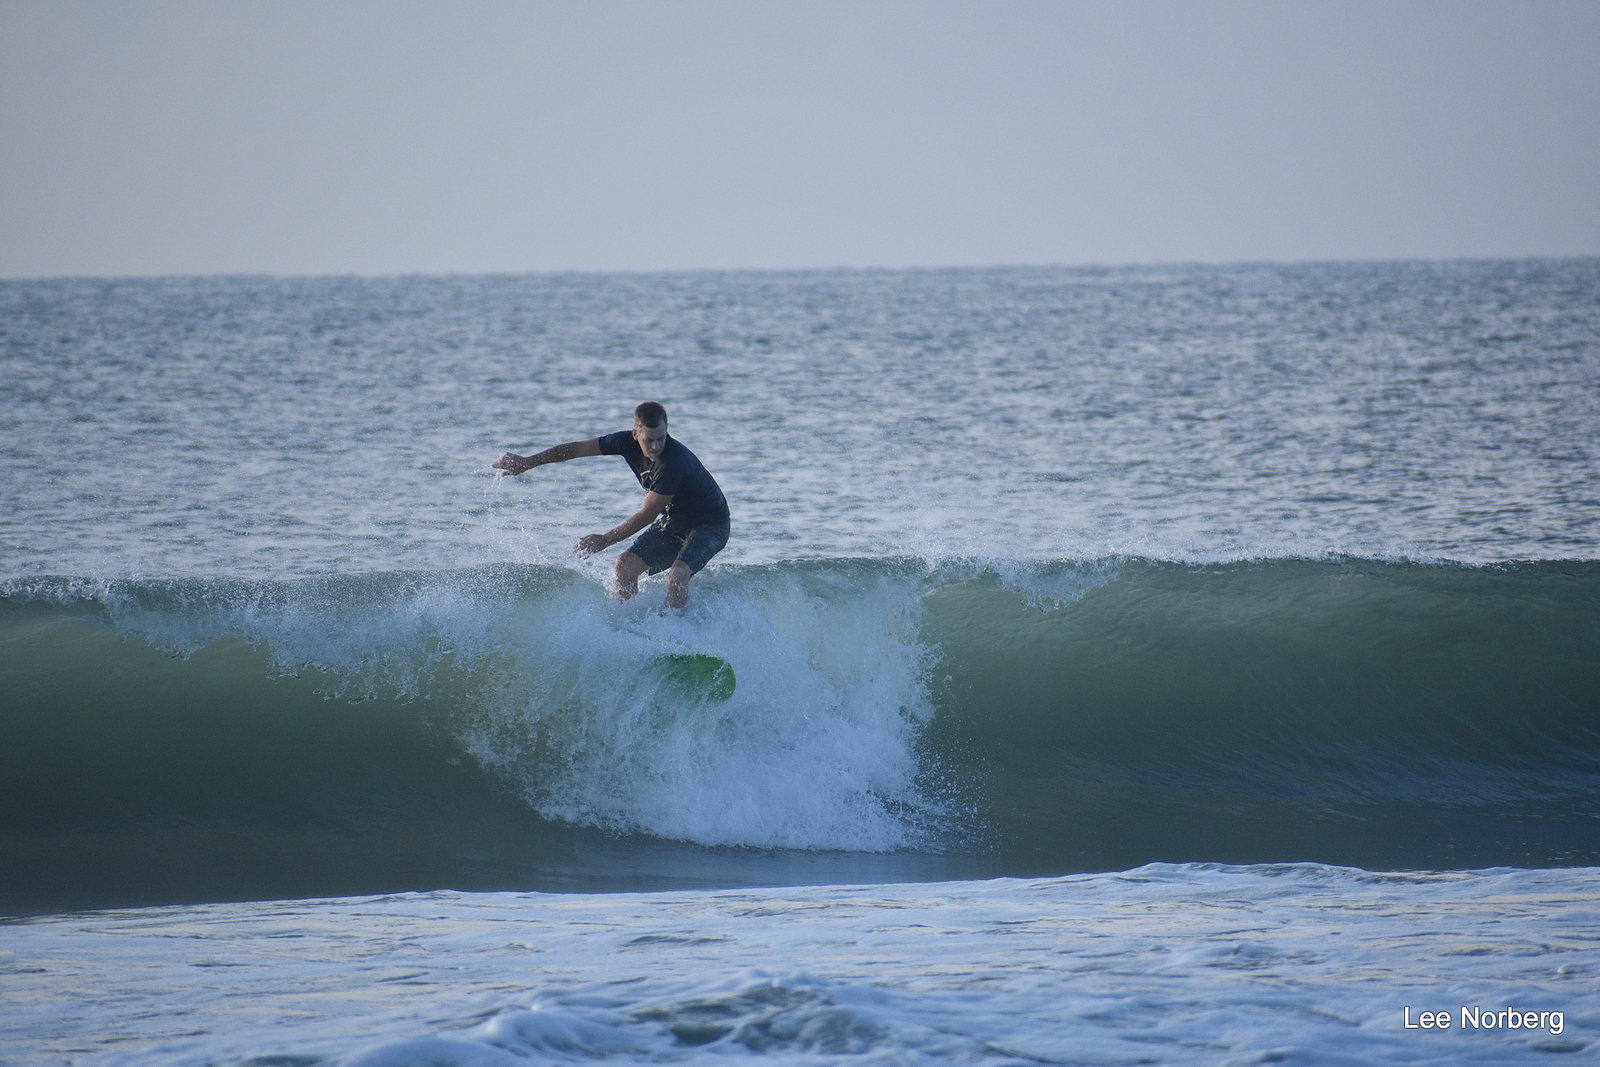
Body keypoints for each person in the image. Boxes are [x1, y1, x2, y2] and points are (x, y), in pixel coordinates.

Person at [492, 402, 730, 609]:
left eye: (662, 438)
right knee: (624, 567)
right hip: (674, 522)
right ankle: (629, 622)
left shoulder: (673, 464)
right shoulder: (623, 442)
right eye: (650, 440)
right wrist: (528, 462)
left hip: (710, 525)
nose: (657, 446)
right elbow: (576, 449)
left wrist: (605, 540)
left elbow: (647, 515)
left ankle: (673, 628)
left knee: (678, 574)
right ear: (635, 435)